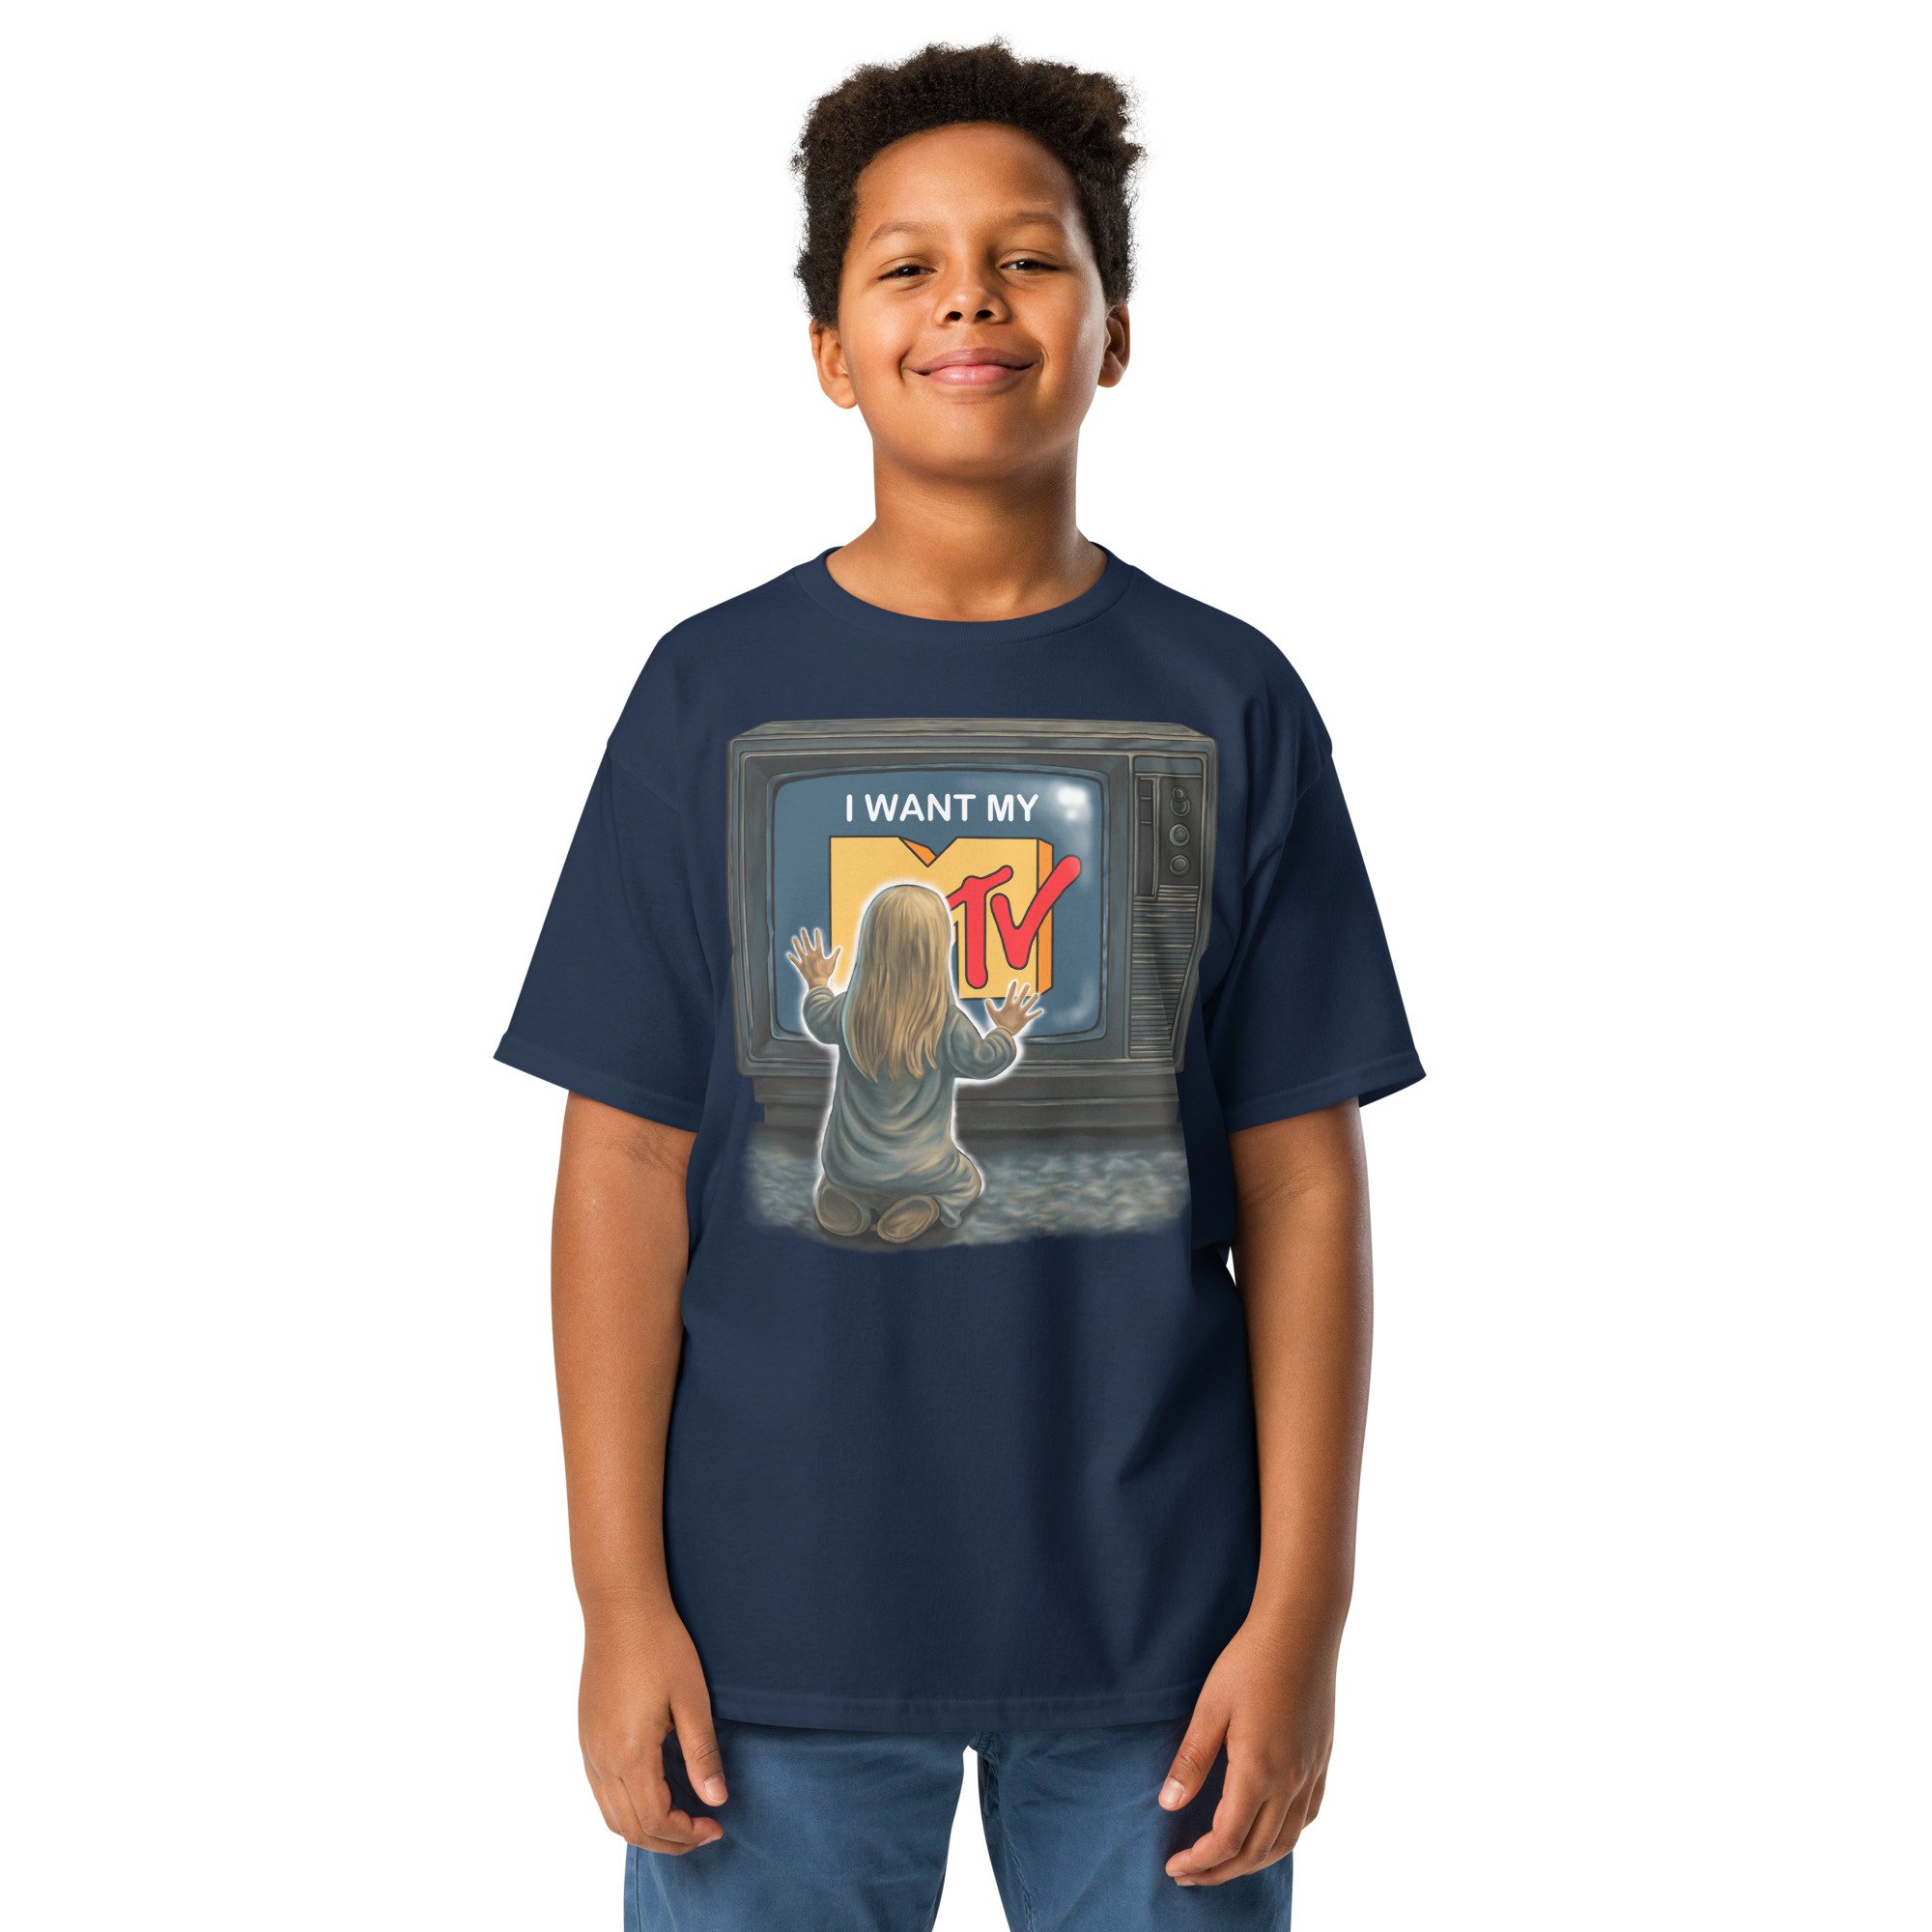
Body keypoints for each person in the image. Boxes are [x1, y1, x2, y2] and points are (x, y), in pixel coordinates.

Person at [496, 39, 1424, 1931]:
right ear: (830, 350)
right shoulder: (708, 693)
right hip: (764, 1628)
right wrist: (615, 1601)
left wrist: (1302, 1617)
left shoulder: (1228, 697)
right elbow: (625, 1165)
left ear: (1114, 331)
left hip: (1162, 1633)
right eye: (907, 265)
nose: (971, 300)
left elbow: (1303, 1186)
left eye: (1028, 257)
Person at [787, 890, 1043, 1241]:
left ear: (870, 945)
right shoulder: (947, 1024)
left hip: (847, 1163)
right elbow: (984, 1062)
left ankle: (844, 1196)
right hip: (924, 1171)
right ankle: (928, 1203)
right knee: (968, 1181)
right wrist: (1004, 1031)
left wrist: (818, 984)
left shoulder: (848, 1010)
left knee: (846, 1177)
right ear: (938, 950)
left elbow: (817, 1019)